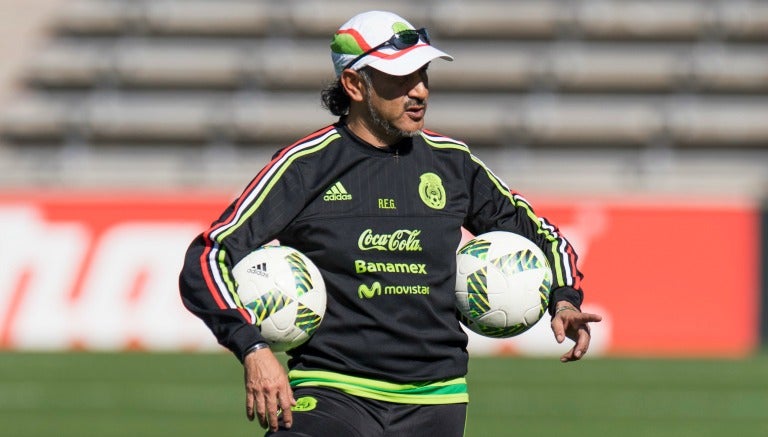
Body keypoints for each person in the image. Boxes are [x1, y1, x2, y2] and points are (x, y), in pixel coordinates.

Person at [179, 10, 602, 437]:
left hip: (436, 401)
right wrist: (252, 347)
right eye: (400, 78)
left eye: (423, 74)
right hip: (331, 391)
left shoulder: (453, 164)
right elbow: (208, 255)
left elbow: (546, 237)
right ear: (354, 84)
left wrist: (564, 300)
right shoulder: (306, 166)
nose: (419, 90)